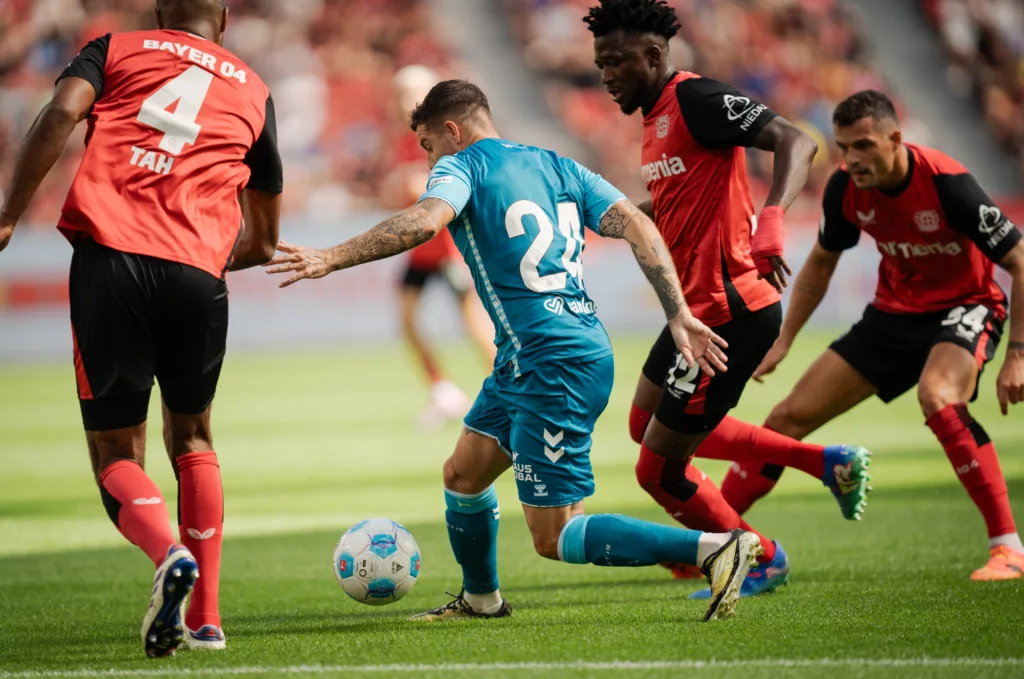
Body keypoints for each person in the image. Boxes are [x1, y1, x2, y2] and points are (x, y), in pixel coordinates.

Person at [267, 79, 765, 622]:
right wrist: (676, 311)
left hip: (553, 363)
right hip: (535, 358)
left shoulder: (462, 166)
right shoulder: (558, 166)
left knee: (556, 536)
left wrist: (331, 256)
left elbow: (424, 220)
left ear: (452, 131)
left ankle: (715, 547)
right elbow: (639, 225)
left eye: (428, 145)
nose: (428, 158)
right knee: (462, 474)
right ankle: (481, 599)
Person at [0, 0, 283, 656]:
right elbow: (264, 241)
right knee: (194, 434)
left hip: (112, 262)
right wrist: (202, 260)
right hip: (197, 275)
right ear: (225, 17)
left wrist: (10, 213)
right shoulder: (255, 89)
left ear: (160, 13)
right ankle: (207, 618)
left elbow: (62, 113)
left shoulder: (116, 49)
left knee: (117, 457)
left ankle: (166, 552)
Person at [584, 0, 871, 596]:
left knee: (658, 471)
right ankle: (826, 462)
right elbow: (671, 208)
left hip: (731, 312)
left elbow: (796, 140)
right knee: (643, 424)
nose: (605, 75)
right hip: (695, 313)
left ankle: (759, 555)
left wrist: (773, 218)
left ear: (654, 55)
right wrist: (596, 217)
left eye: (615, 62)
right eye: (599, 64)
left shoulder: (696, 99)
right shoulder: (655, 117)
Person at [720, 90, 1024, 581]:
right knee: (786, 418)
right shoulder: (845, 188)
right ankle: (710, 538)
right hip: (892, 316)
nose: (852, 159)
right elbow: (821, 262)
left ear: (896, 139)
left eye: (863, 145)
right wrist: (785, 339)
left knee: (938, 396)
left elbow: (1019, 260)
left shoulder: (948, 183)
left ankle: (1008, 547)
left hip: (967, 306)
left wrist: (1018, 356)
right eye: (843, 147)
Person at [389, 66, 496, 429]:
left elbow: (446, 184)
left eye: (409, 94)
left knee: (473, 321)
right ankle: (442, 390)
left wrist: (412, 184)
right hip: (422, 246)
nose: (403, 101)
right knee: (406, 319)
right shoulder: (407, 136)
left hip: (448, 245)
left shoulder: (443, 134)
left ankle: (507, 386)